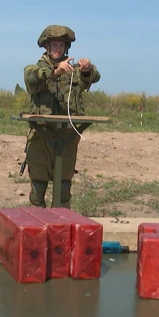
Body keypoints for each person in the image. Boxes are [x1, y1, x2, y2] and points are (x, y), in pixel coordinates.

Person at [23, 25, 100, 208]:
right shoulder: (36, 69)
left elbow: (93, 77)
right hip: (41, 138)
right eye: (54, 45)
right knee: (38, 189)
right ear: (47, 47)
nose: (57, 48)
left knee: (63, 190)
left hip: (67, 138)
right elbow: (31, 79)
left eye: (60, 45)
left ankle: (61, 229)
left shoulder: (73, 72)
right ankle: (36, 230)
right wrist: (54, 72)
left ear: (66, 47)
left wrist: (86, 69)